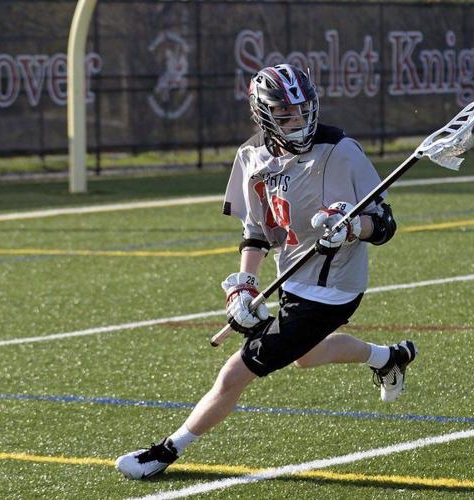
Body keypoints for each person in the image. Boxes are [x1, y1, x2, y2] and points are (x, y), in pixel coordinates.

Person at [115, 63, 417, 480]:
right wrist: (244, 284)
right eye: (287, 113)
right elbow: (257, 231)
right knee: (307, 357)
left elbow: (384, 224)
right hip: (292, 275)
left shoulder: (340, 150)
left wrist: (351, 228)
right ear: (264, 114)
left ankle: (166, 452)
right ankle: (390, 358)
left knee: (235, 373)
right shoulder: (251, 156)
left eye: (303, 109)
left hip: (334, 288)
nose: (299, 120)